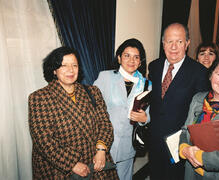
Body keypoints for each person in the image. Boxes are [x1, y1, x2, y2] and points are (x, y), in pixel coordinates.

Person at [28, 46, 118, 179]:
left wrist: (101, 150)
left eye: (74, 65)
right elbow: (43, 141)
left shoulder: (93, 92)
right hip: (60, 168)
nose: (70, 70)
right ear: (54, 70)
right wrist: (72, 163)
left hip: (95, 161)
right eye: (64, 65)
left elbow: (105, 123)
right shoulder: (39, 98)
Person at [148, 23, 210, 180]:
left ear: (187, 44)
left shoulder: (199, 72)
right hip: (154, 141)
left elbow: (200, 113)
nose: (174, 47)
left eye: (179, 41)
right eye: (169, 41)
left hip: (180, 146)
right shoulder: (154, 66)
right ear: (163, 44)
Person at [94, 38, 151, 180]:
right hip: (104, 143)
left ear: (140, 61)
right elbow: (92, 108)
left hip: (128, 145)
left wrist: (145, 118)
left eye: (136, 57)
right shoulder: (105, 77)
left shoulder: (146, 84)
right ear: (119, 58)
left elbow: (149, 114)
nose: (131, 60)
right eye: (127, 55)